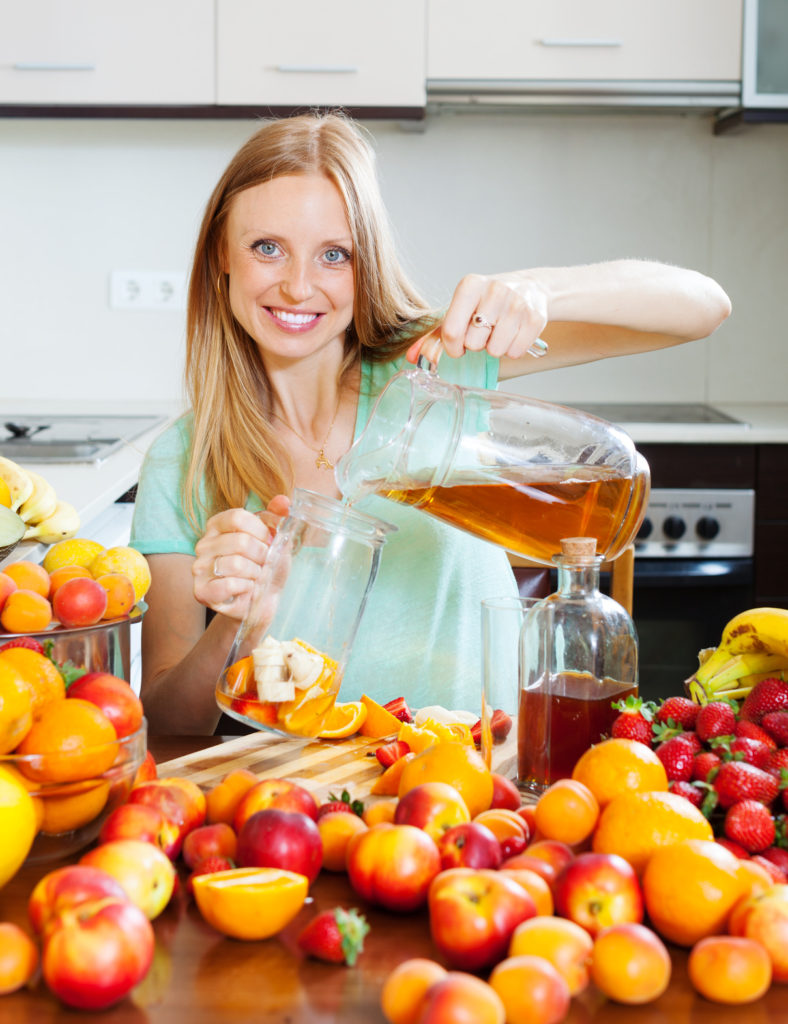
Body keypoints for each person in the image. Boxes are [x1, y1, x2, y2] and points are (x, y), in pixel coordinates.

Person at [130, 111, 731, 735]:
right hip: (305, 805)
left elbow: (701, 308)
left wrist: (536, 290)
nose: (298, 285)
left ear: (366, 269)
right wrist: (237, 619)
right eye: (267, 248)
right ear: (221, 256)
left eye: (334, 255)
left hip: (480, 781)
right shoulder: (183, 459)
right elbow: (171, 720)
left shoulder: (435, 367)